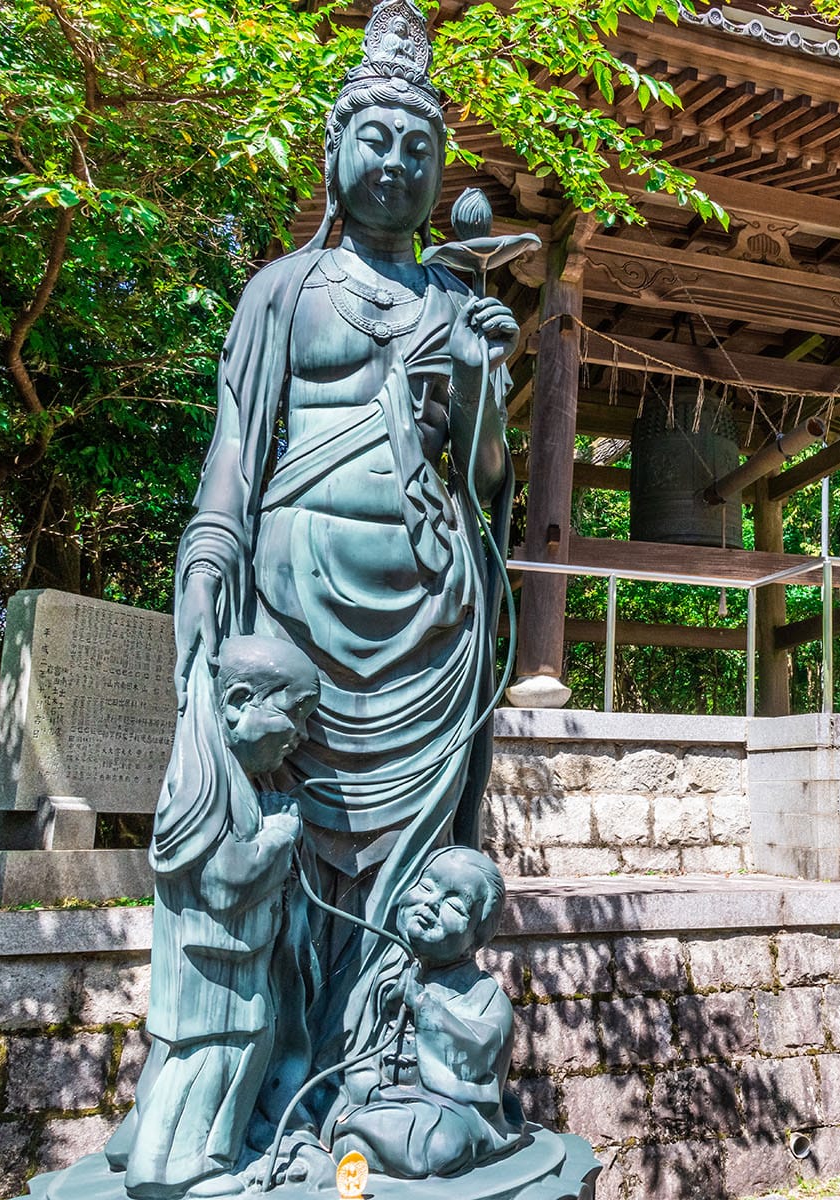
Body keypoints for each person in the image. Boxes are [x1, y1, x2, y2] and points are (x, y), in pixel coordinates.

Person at [163, 0, 521, 1152]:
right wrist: (211, 553)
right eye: (376, 140)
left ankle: (381, 1067)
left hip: (429, 612)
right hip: (297, 603)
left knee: (406, 865)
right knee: (294, 845)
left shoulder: (458, 300)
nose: (397, 164)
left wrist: (477, 380)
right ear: (333, 150)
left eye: (420, 149)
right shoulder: (284, 288)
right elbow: (237, 443)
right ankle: (280, 1084)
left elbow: (488, 477)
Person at [106, 636, 321, 1198]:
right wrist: (277, 837)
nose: (299, 737)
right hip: (213, 974)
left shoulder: (229, 777)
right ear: (239, 701)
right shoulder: (201, 783)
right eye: (295, 716)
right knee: (212, 1063)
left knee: (207, 1062)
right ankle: (182, 1169)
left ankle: (159, 1148)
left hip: (228, 967)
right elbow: (226, 883)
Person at [331, 847, 525, 1178]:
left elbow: (479, 1062)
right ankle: (361, 1133)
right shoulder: (375, 973)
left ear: (474, 939)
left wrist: (422, 1005)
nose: (432, 903)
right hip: (372, 1095)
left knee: (444, 1144)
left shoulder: (485, 996)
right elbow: (344, 1046)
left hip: (441, 1111)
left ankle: (362, 1137)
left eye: (454, 904)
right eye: (426, 886)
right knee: (324, 1100)